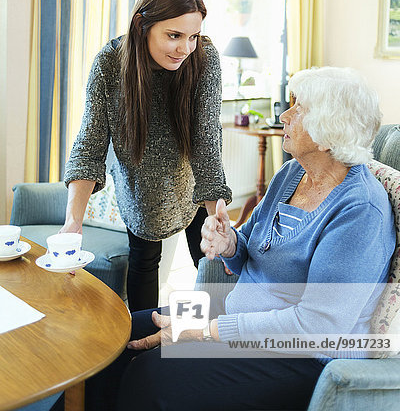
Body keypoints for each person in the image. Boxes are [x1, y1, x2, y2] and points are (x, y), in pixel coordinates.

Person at [83, 66, 396, 411]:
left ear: (328, 132)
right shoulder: (293, 174)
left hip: (299, 354)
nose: (284, 115)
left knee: (151, 374)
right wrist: (228, 242)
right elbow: (250, 246)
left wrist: (205, 331)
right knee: (113, 333)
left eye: (298, 109)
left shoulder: (360, 210)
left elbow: (316, 325)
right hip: (236, 318)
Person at [61, 0, 232, 312]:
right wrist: (73, 222)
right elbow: (89, 145)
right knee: (144, 262)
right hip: (139, 190)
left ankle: (211, 339)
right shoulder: (110, 64)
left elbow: (206, 139)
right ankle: (140, 348)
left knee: (212, 263)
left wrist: (219, 221)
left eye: (193, 36)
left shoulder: (204, 59)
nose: (185, 48)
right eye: (174, 35)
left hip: (193, 184)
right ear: (142, 24)